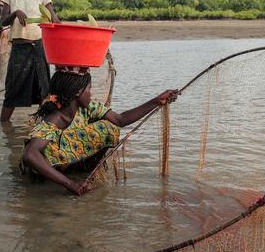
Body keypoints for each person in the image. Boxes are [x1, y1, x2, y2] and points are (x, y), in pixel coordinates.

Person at [20, 69, 179, 196]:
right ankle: (67, 176)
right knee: (103, 129)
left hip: (64, 162)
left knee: (110, 127)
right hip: (42, 170)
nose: (91, 93)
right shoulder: (55, 118)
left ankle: (84, 170)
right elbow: (30, 155)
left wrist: (156, 101)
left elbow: (120, 120)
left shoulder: (88, 108)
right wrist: (70, 184)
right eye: (89, 88)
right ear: (78, 92)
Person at [0, 0, 60, 122]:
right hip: (19, 48)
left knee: (43, 89)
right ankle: (4, 125)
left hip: (39, 48)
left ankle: (44, 125)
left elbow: (55, 21)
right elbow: (2, 22)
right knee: (12, 89)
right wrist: (15, 13)